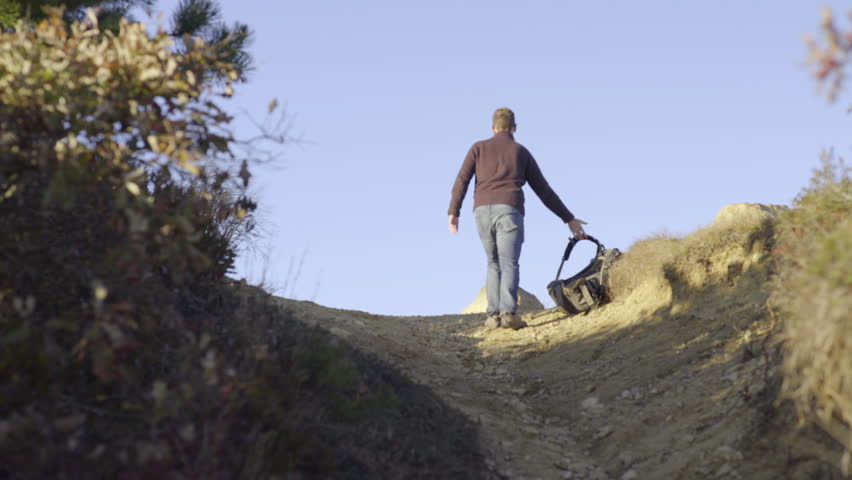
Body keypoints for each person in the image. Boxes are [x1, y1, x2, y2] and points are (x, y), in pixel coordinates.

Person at [448, 107, 587, 330]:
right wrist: (568, 218)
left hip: (481, 211)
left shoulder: (478, 148)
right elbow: (544, 190)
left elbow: (461, 180)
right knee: (509, 262)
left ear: (492, 128)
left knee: (493, 262)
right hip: (509, 210)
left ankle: (493, 316)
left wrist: (453, 211)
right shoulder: (520, 152)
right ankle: (508, 313)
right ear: (514, 128)